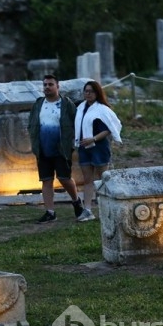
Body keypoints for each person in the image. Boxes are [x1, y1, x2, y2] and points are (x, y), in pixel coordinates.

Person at [28, 74, 84, 223]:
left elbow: (76, 122)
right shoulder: (38, 104)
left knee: (64, 178)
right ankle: (50, 212)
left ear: (57, 86)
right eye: (45, 84)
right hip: (43, 149)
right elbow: (31, 123)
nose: (47, 87)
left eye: (50, 84)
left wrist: (74, 142)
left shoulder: (66, 104)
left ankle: (76, 201)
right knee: (46, 180)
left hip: (61, 148)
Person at [74, 80, 122, 222]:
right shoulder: (81, 108)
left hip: (99, 147)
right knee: (87, 179)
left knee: (103, 179)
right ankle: (87, 209)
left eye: (91, 91)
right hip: (84, 147)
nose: (88, 94)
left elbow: (110, 128)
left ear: (97, 93)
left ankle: (107, 208)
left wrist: (93, 139)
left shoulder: (102, 109)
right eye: (86, 91)